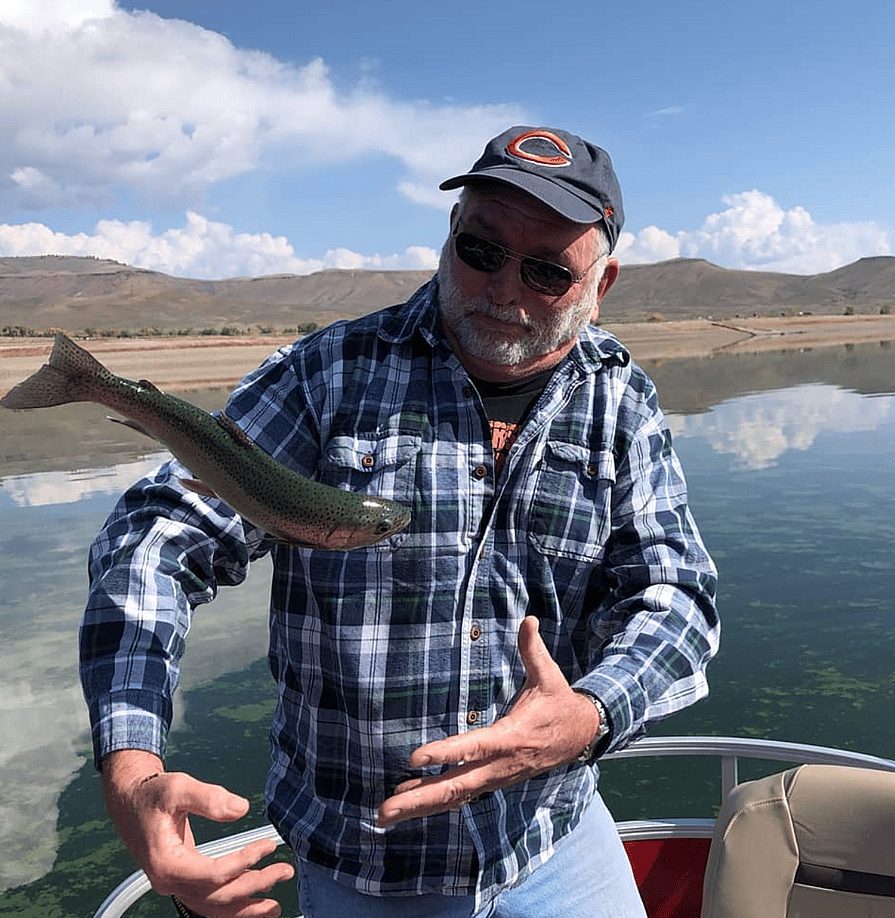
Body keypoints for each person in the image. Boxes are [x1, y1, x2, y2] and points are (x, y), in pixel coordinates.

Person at [82, 125, 719, 918]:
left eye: (548, 271)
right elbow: (154, 538)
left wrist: (588, 717)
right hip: (363, 871)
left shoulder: (620, 402)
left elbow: (679, 597)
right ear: (450, 236)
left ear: (603, 282)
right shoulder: (329, 374)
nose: (504, 289)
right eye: (481, 251)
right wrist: (133, 765)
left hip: (553, 840)